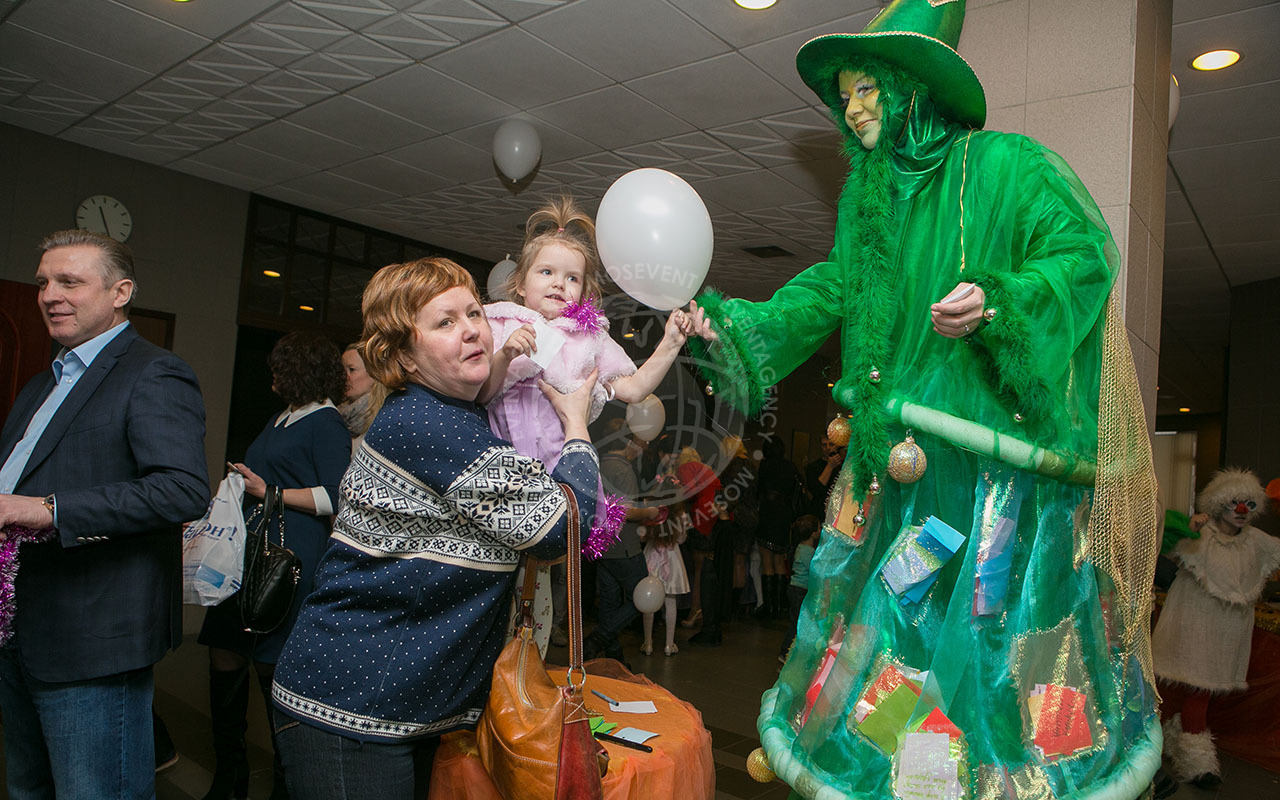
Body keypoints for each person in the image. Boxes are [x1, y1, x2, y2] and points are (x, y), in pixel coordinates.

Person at [684, 2, 1162, 796]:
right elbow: (823, 293)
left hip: (998, 488)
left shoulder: (1010, 166)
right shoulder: (869, 204)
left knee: (999, 644)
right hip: (899, 480)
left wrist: (998, 304)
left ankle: (1013, 777)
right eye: (845, 96)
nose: (854, 108)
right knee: (893, 635)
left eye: (868, 88)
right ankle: (910, 778)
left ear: (913, 90)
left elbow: (1082, 253)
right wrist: (731, 328)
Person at [270, 258, 599, 800]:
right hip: (352, 713)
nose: (472, 328)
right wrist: (577, 428)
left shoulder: (447, 418)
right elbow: (561, 526)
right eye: (444, 322)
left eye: (473, 312)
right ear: (401, 355)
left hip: (389, 706)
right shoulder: (432, 425)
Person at [0, 229, 209, 799]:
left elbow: (182, 490)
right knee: (26, 788)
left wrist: (46, 509)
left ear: (121, 292)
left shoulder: (154, 372)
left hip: (91, 635)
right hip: (19, 623)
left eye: (70, 281)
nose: (49, 294)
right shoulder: (44, 382)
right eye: (44, 281)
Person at [479, 197, 708, 551]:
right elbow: (481, 393)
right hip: (500, 474)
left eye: (572, 278)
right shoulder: (499, 324)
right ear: (520, 284)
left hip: (562, 476)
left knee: (551, 578)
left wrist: (671, 343)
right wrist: (506, 354)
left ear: (584, 293)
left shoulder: (589, 338)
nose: (558, 283)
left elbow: (633, 389)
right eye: (546, 272)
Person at [198, 331, 351, 800]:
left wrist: (272, 492)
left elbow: (335, 495)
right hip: (249, 550)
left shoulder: (326, 422)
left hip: (288, 557)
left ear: (301, 371)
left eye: (280, 371)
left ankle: (286, 785)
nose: (273, 381)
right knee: (224, 651)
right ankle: (231, 776)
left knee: (270, 667)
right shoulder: (285, 416)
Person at [1152, 468, 1280, 788]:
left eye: (1249, 505)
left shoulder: (1259, 542)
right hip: (1191, 621)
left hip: (1227, 631)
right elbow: (1159, 536)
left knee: (1201, 690)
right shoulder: (1200, 535)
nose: (1241, 511)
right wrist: (1187, 527)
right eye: (1235, 503)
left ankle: (1180, 743)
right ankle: (1192, 756)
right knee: (1188, 688)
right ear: (1220, 504)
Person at [584, 427, 657, 664]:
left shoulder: (600, 463)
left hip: (602, 545)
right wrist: (650, 511)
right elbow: (625, 511)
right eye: (641, 443)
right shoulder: (623, 469)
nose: (643, 448)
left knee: (608, 600)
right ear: (630, 443)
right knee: (642, 598)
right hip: (625, 545)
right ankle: (598, 639)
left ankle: (613, 656)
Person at [752, 438, 801, 619]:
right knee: (780, 561)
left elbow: (759, 491)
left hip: (768, 515)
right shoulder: (790, 467)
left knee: (767, 561)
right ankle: (780, 606)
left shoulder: (765, 467)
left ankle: (769, 607)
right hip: (784, 516)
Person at [673, 446, 720, 628]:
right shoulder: (704, 469)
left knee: (698, 569)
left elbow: (687, 492)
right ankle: (701, 610)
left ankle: (695, 610)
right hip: (712, 515)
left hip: (701, 517)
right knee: (705, 568)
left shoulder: (686, 468)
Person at [639, 507, 690, 657]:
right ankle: (669, 644)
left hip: (652, 555)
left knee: (648, 600)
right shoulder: (680, 514)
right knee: (670, 601)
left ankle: (648, 643)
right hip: (672, 557)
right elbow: (681, 540)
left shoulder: (651, 510)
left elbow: (642, 536)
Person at [778, 515, 820, 665]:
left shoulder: (800, 547)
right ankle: (785, 652)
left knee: (795, 621)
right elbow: (813, 570)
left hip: (795, 588)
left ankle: (788, 651)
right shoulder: (808, 551)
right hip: (800, 590)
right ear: (814, 533)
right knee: (797, 622)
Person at [338, 342, 377, 443]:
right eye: (342, 371)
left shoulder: (381, 419)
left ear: (373, 374)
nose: (344, 377)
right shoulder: (336, 414)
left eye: (351, 369)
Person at [804, 435, 844, 517]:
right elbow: (816, 491)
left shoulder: (843, 466)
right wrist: (830, 466)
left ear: (837, 446)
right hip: (819, 510)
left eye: (831, 444)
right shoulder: (813, 467)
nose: (828, 448)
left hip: (838, 511)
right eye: (824, 445)